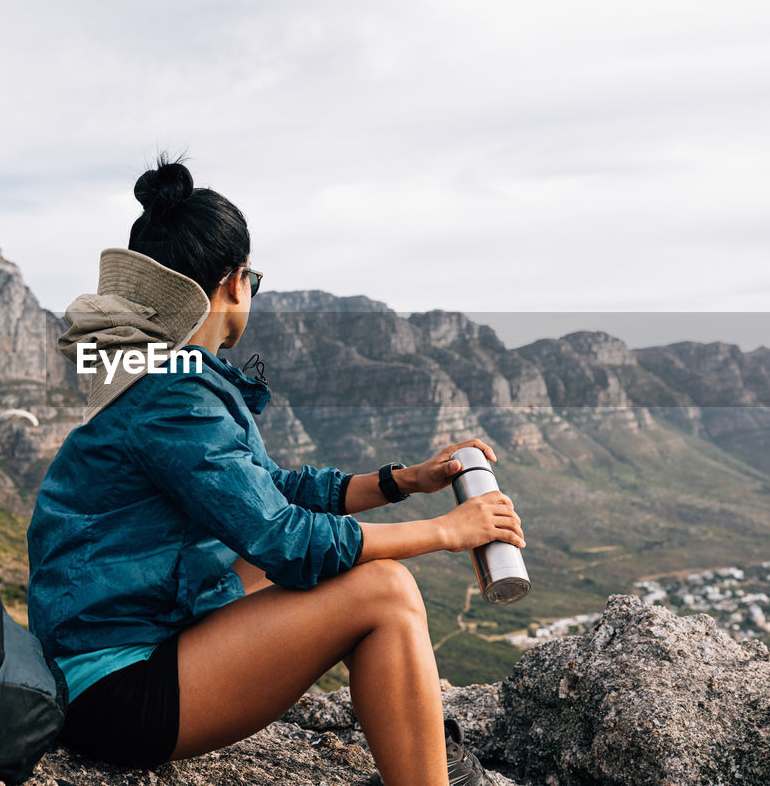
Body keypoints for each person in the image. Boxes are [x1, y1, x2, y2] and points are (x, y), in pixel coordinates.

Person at [26, 155, 526, 786]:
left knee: (314, 566)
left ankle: (413, 738)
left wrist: (403, 481)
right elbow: (289, 541)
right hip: (114, 691)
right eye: (252, 282)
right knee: (384, 590)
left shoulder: (163, 378)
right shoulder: (172, 398)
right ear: (234, 284)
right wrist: (448, 530)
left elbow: (270, 493)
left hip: (119, 647)